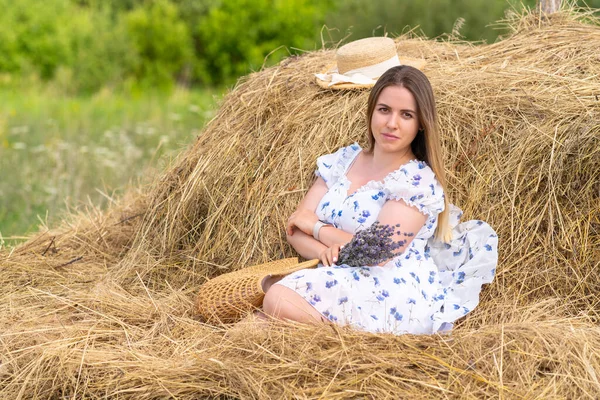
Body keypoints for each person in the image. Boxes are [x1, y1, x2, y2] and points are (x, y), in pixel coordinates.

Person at [260, 65, 498, 335]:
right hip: (338, 271)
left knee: (278, 298)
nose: (391, 123)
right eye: (384, 110)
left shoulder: (415, 181)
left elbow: (377, 253)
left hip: (388, 285)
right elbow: (294, 228)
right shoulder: (342, 161)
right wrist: (322, 253)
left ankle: (357, 345)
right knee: (256, 321)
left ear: (421, 123)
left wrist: (317, 228)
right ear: (371, 111)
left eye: (406, 115)